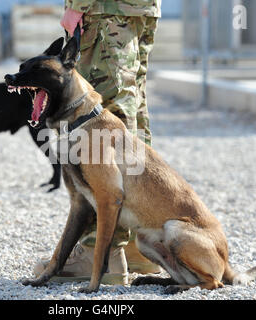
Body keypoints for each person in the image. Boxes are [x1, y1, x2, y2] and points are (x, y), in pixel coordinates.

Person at [34, 0, 162, 285]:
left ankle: (103, 253)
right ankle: (136, 244)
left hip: (104, 10)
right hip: (137, 9)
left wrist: (79, 4)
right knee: (131, 114)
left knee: (102, 118)